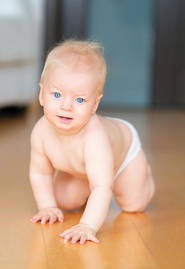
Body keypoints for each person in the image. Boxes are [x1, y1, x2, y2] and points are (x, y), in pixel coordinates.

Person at [29, 39, 155, 244]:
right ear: (42, 94)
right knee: (63, 200)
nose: (66, 106)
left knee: (134, 205)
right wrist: (47, 206)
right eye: (57, 94)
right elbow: (40, 173)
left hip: (123, 153)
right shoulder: (40, 132)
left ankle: (144, 176)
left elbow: (102, 187)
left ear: (95, 104)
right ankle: (86, 189)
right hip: (82, 170)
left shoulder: (95, 138)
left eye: (80, 99)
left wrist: (87, 225)